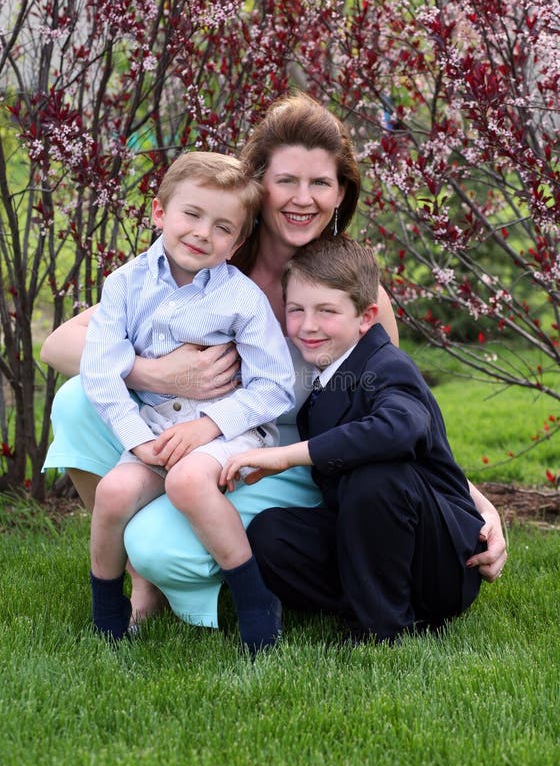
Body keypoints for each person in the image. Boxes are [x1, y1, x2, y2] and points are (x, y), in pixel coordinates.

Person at [41, 92, 507, 638]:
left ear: (341, 194)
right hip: (180, 428)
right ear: (258, 183)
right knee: (76, 401)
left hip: (282, 458)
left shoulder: (350, 292)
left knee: (159, 548)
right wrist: (155, 374)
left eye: (321, 184)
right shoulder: (211, 255)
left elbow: (398, 413)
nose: (302, 199)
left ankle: (161, 562)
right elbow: (60, 344)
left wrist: (474, 504)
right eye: (287, 181)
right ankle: (140, 574)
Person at [221, 236, 487, 642]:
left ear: (366, 318)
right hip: (372, 540)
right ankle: (370, 601)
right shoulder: (327, 379)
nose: (308, 326)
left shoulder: (386, 365)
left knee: (374, 474)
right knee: (271, 534)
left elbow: (399, 429)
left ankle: (382, 628)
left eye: (327, 311)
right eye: (296, 310)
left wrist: (290, 455)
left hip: (441, 560)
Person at [81, 151, 294, 649]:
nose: (203, 233)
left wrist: (209, 426)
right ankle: (108, 606)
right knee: (112, 493)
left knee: (189, 479)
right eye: (191, 215)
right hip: (154, 429)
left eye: (223, 227)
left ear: (238, 242)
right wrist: (137, 442)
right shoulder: (124, 285)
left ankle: (255, 599)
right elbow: (101, 373)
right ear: (159, 212)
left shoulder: (241, 298)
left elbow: (275, 385)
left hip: (226, 430)